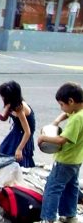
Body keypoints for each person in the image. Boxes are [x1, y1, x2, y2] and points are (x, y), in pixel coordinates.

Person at [38, 82, 83, 223]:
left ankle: (48, 218)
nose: (61, 108)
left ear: (71, 101)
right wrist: (57, 121)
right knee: (71, 187)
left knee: (53, 188)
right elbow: (67, 112)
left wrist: (43, 137)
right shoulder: (79, 112)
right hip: (76, 159)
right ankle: (69, 214)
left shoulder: (76, 119)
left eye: (62, 104)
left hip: (65, 160)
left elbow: (62, 140)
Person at [0, 80, 35, 167]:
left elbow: (27, 132)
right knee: (3, 151)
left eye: (3, 96)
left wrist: (19, 149)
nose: (2, 98)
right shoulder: (9, 104)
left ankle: (12, 177)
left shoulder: (19, 108)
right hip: (16, 131)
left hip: (23, 135)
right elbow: (5, 117)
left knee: (14, 158)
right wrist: (1, 117)